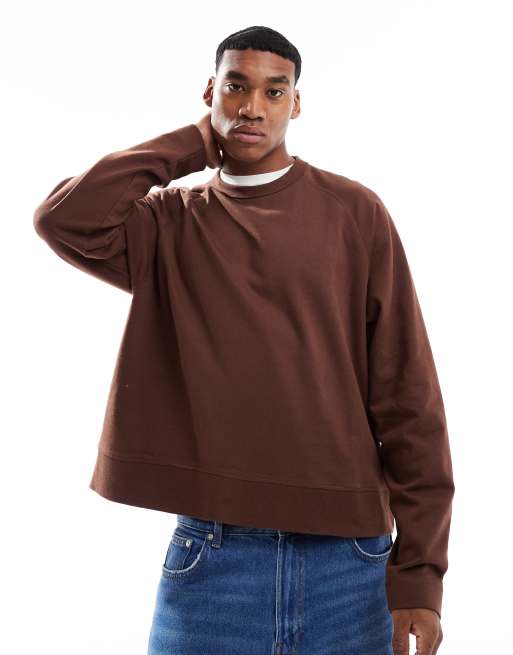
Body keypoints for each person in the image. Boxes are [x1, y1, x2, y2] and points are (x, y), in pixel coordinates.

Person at [33, 24, 454, 655]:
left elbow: (407, 394)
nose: (253, 106)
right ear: (211, 91)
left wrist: (420, 573)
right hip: (213, 556)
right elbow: (63, 218)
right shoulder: (168, 224)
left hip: (350, 563)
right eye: (236, 86)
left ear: (296, 103)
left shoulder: (355, 213)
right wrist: (191, 145)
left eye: (274, 91)